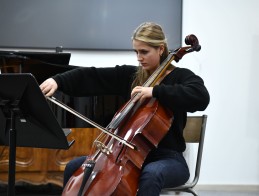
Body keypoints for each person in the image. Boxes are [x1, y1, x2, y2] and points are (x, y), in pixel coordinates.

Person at [40, 22, 210, 196]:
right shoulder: (132, 76)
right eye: (136, 52)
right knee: (74, 166)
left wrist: (155, 91)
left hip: (168, 158)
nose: (139, 57)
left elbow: (201, 97)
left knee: (151, 174)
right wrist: (58, 81)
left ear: (160, 49)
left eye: (144, 52)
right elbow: (91, 75)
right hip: (127, 157)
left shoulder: (180, 77)